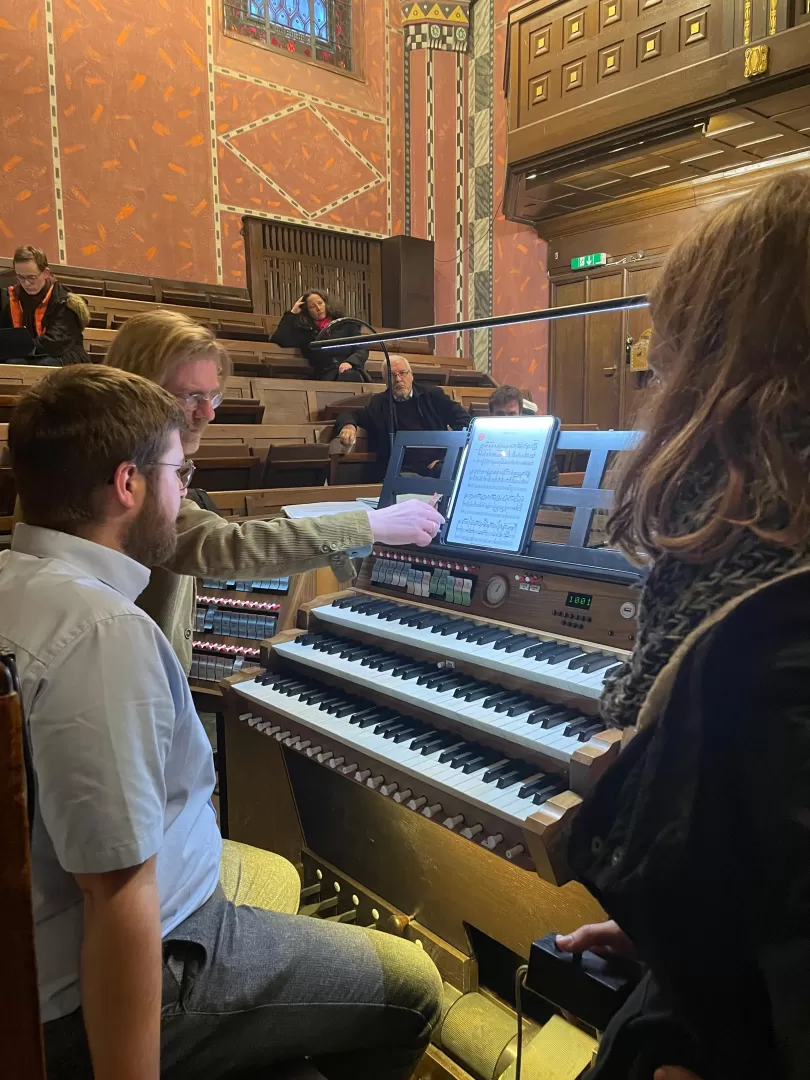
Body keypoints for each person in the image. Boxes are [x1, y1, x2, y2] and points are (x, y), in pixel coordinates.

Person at [0, 364, 442, 1080]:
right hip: (137, 973)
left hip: (69, 938)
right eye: (181, 472)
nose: (185, 495)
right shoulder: (101, 634)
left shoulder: (14, 584)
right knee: (413, 982)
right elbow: (116, 900)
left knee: (269, 872)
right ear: (128, 486)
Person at [555, 172, 810, 1080]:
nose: (655, 377)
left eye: (667, 353)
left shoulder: (769, 638)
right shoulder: (754, 590)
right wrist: (686, 933)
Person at [105, 310, 444, 672]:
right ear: (139, 390)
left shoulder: (141, 462)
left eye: (213, 398)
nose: (209, 414)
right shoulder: (125, 476)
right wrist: (369, 526)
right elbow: (224, 546)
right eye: (190, 397)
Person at [334, 355, 471, 480]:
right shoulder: (379, 404)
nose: (398, 379)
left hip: (438, 466)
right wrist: (348, 426)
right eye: (391, 375)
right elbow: (350, 415)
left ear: (411, 375)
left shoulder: (432, 396)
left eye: (402, 373)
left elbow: (465, 421)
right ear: (385, 380)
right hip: (402, 472)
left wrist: (446, 458)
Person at [0, 245, 90, 365]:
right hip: (28, 352)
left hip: (64, 354)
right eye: (20, 277)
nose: (26, 283)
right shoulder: (10, 298)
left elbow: (54, 342)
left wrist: (17, 348)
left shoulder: (64, 301)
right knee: (12, 362)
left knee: (44, 365)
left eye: (32, 277)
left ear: (45, 273)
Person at [271, 290, 369, 381]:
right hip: (324, 375)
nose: (318, 308)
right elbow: (280, 339)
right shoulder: (305, 332)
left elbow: (362, 349)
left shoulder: (346, 324)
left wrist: (350, 362)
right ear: (306, 310)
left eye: (320, 303)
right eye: (312, 306)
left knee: (350, 376)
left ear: (326, 304)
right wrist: (292, 313)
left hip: (351, 371)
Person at [488, 384, 560, 485]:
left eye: (512, 415)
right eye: (500, 414)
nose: (506, 421)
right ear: (490, 414)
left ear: (520, 413)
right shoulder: (481, 440)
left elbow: (551, 480)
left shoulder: (538, 439)